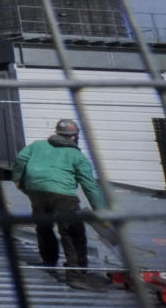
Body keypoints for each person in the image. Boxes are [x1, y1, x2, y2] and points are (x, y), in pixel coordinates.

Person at [12, 118, 108, 292]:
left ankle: (49, 261)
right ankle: (76, 275)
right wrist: (101, 212)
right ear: (74, 137)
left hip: (36, 190)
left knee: (43, 225)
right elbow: (90, 186)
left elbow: (20, 160)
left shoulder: (37, 145)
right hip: (63, 195)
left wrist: (19, 181)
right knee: (72, 232)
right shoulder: (77, 156)